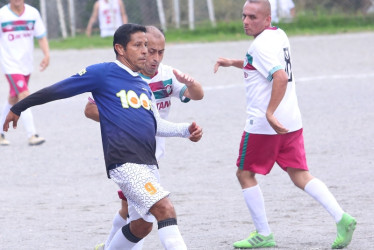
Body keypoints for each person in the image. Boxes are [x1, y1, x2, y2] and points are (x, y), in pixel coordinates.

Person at [3, 23, 203, 250]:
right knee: (164, 208)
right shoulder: (103, 72)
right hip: (125, 161)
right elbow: (58, 89)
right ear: (120, 49)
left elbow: (155, 124)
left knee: (141, 225)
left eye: (146, 45)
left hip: (148, 163)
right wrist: (20, 106)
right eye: (138, 45)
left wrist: (185, 130)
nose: (145, 51)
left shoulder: (142, 85)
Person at [214, 0, 356, 249]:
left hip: (264, 125)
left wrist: (269, 112)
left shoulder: (260, 45)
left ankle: (264, 234)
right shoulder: (278, 34)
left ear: (267, 19)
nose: (246, 21)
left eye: (253, 17)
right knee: (300, 174)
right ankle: (342, 218)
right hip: (291, 121)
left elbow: (279, 76)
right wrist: (235, 62)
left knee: (245, 174)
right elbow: (263, 65)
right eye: (244, 15)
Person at [86, 25, 204, 250]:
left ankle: (110, 245)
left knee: (135, 215)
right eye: (150, 51)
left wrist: (192, 84)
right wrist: (126, 116)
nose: (155, 58)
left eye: (161, 52)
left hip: (152, 158)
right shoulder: (119, 76)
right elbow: (90, 110)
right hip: (129, 156)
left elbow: (197, 95)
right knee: (149, 214)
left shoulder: (167, 75)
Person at [0, 0, 49, 146]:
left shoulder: (32, 13)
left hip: (26, 65)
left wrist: (46, 55)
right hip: (9, 64)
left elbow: (41, 36)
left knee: (14, 97)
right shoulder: (2, 15)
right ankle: (32, 134)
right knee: (24, 95)